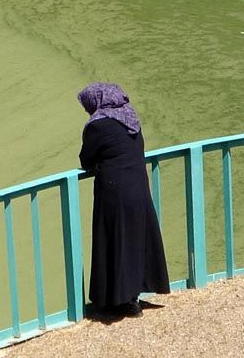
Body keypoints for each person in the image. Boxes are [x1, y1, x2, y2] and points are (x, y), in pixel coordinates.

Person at [77, 83, 170, 317]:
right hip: (138, 186)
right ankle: (135, 295)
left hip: (114, 190)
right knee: (136, 239)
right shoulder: (131, 120)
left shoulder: (97, 126)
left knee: (115, 239)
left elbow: (86, 160)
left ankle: (121, 301)